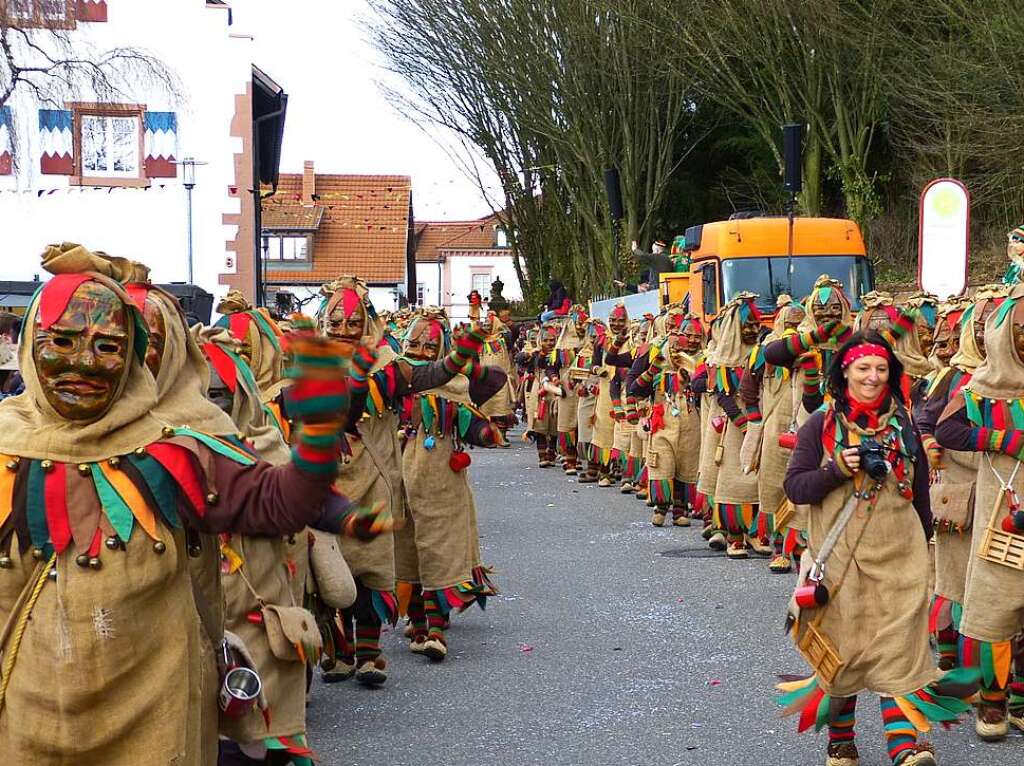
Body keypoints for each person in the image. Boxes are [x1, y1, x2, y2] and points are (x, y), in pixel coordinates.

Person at [0, 245, 362, 764]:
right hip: (27, 715)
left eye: (108, 346)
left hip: (155, 716)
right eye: (61, 340)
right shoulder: (5, 446)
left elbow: (276, 502)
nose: (84, 362)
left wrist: (318, 440)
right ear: (30, 344)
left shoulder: (175, 453)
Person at [781, 330, 977, 766]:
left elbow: (921, 495)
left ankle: (904, 747)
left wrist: (924, 544)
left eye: (881, 369)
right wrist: (836, 469)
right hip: (842, 561)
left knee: (901, 651)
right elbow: (795, 487)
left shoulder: (903, 427)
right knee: (847, 650)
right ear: (845, 371)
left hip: (900, 557)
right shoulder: (822, 425)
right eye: (864, 368)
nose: (872, 377)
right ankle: (841, 740)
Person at [934, 282, 1024, 741]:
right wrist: (1003, 440)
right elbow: (945, 429)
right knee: (994, 610)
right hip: (1000, 517)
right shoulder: (981, 387)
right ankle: (992, 702)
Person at [394, 309, 505, 661]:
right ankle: (417, 621)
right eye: (414, 343)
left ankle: (437, 630)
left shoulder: (454, 390)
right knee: (405, 554)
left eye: (430, 346)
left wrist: (485, 433)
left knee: (438, 554)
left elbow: (484, 398)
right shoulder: (392, 383)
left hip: (441, 486)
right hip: (397, 484)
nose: (422, 351)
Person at [740, 296, 806, 572]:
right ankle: (780, 549)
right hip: (773, 432)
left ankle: (801, 545)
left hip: (808, 428)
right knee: (774, 487)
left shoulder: (815, 351)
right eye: (789, 323)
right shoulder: (766, 351)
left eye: (798, 324)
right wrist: (755, 421)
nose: (793, 328)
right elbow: (747, 388)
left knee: (803, 489)